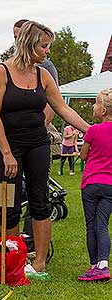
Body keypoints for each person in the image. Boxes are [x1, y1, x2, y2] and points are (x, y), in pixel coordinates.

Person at [0, 21, 90, 277]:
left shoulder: (43, 74)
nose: (47, 51)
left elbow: (62, 108)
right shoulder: (1, 72)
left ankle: (39, 263)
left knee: (40, 201)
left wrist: (92, 131)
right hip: (7, 147)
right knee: (6, 204)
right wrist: (7, 153)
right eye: (44, 46)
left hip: (38, 144)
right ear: (29, 44)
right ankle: (13, 259)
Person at [77, 89, 112, 281]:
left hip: (91, 183)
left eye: (97, 103)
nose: (94, 106)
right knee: (102, 224)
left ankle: (94, 266)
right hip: (110, 186)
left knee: (91, 225)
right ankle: (103, 263)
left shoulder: (92, 130)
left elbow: (83, 156)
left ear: (104, 110)